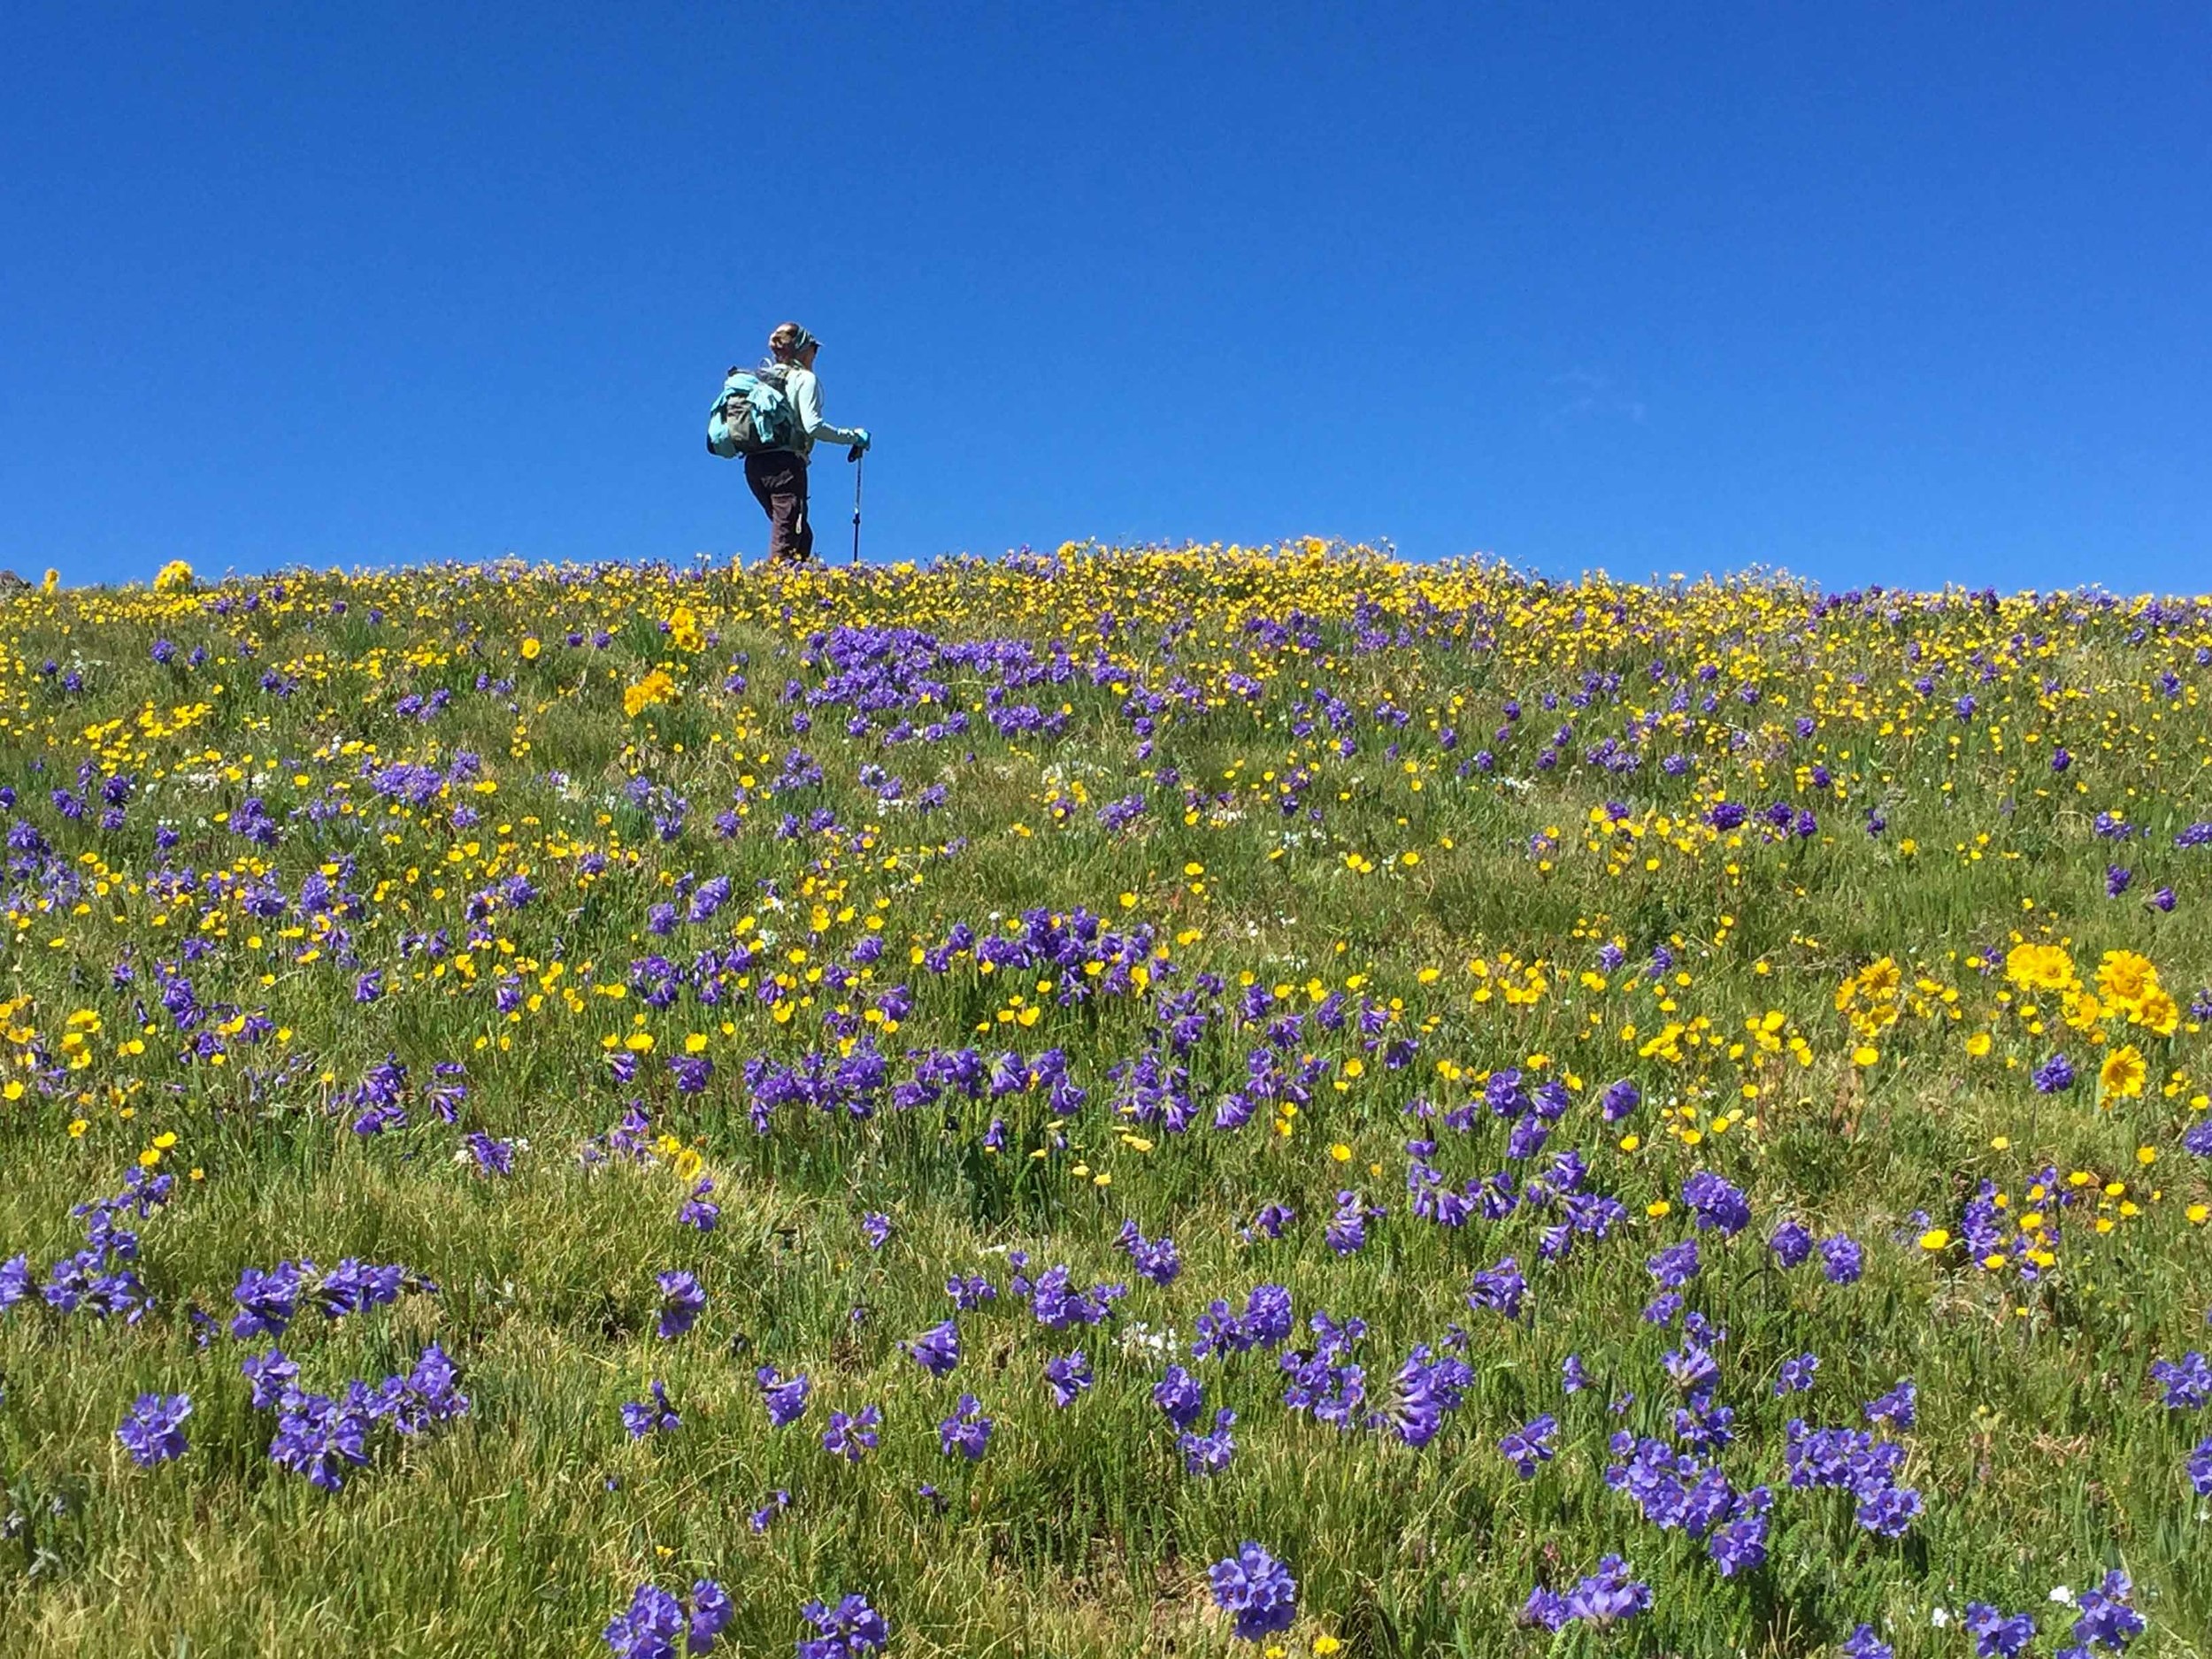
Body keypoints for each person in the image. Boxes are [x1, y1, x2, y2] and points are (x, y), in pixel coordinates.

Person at [746, 322, 870, 565]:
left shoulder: (763, 379)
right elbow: (813, 426)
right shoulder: (804, 379)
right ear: (804, 350)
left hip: (754, 465)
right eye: (815, 349)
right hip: (785, 465)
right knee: (788, 538)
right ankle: (777, 589)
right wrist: (852, 437)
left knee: (800, 535)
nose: (816, 355)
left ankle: (796, 587)